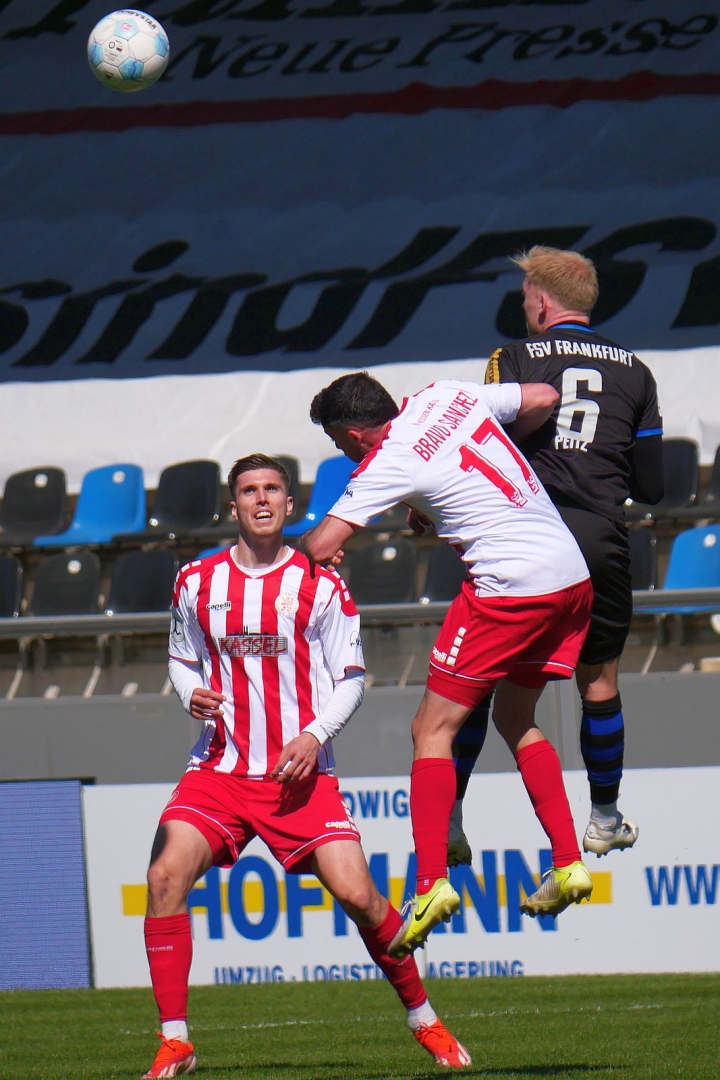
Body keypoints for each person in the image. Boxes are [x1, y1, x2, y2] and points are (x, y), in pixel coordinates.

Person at [142, 453, 471, 1079]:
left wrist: (315, 736)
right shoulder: (196, 581)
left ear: (290, 505)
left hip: (299, 778)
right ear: (233, 506)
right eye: (249, 491)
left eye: (273, 489)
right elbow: (182, 658)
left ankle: (423, 1018)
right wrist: (190, 694)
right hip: (218, 771)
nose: (262, 499)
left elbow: (351, 677)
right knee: (163, 878)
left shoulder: (321, 584)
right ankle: (175, 1040)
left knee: (360, 897)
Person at [304, 372, 595, 959]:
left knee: (430, 730)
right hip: (569, 574)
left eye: (337, 442)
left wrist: (300, 552)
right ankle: (568, 863)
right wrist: (445, 492)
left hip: (509, 586)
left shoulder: (385, 460)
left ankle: (431, 883)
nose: (343, 452)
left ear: (355, 434)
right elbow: (542, 398)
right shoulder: (445, 396)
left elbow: (320, 546)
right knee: (515, 718)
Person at [447, 245, 664, 871]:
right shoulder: (637, 372)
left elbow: (482, 445)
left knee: (479, 680)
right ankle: (604, 818)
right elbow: (651, 486)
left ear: (542, 301)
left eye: (525, 300)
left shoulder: (513, 359)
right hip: (599, 540)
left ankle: (453, 817)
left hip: (525, 539)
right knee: (599, 682)